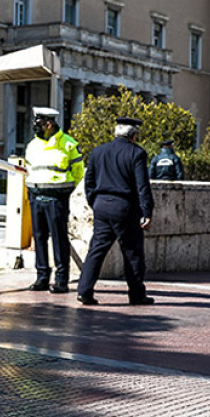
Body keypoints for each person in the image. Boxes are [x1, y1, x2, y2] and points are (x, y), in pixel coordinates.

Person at [76, 117, 155, 306]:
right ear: (133, 135)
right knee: (132, 252)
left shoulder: (97, 151)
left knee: (96, 250)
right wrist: (147, 211)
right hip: (125, 207)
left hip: (102, 206)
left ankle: (84, 290)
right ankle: (136, 294)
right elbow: (142, 186)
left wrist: (95, 202)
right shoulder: (137, 153)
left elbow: (89, 182)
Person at [23, 106, 84, 294]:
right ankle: (42, 277)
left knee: (59, 239)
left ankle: (61, 280)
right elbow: (29, 169)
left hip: (57, 198)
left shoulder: (68, 144)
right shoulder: (33, 145)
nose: (36, 127)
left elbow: (78, 173)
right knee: (39, 238)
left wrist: (64, 191)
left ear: (49, 124)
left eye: (39, 124)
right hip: (36, 197)